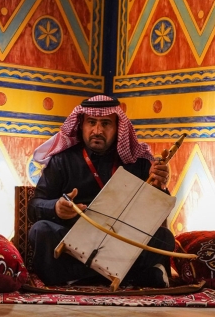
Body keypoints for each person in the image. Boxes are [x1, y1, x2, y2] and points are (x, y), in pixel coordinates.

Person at [27, 95, 175, 288]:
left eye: (105, 123)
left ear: (118, 128)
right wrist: (55, 208)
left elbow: (156, 213)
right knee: (40, 231)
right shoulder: (62, 161)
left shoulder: (137, 163)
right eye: (91, 123)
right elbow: (34, 206)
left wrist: (159, 187)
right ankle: (133, 276)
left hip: (122, 241)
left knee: (164, 238)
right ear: (81, 125)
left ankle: (78, 277)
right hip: (74, 239)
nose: (97, 131)